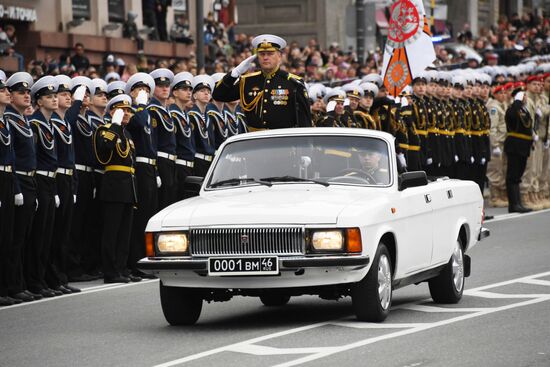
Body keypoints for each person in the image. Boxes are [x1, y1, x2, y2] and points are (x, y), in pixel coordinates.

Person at [212, 34, 312, 130]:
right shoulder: (247, 81)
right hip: (255, 141)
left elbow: (305, 121)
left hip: (283, 141)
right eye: (261, 54)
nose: (265, 57)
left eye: (270, 53)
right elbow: (218, 95)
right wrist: (235, 73)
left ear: (279, 56)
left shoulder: (293, 83)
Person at [94, 96, 138, 283]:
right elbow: (103, 152)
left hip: (128, 185)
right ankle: (110, 272)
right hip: (114, 185)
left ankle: (121, 268)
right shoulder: (105, 130)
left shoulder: (126, 134)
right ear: (112, 112)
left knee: (124, 231)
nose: (126, 113)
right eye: (122, 110)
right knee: (112, 232)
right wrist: (114, 124)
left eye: (128, 110)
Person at [27, 76, 61, 298]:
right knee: (38, 235)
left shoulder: (49, 123)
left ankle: (45, 279)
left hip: (51, 181)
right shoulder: (35, 123)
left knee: (49, 234)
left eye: (54, 96)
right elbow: (35, 157)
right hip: (38, 180)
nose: (54, 99)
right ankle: (34, 281)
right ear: (39, 102)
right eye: (49, 97)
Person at [125, 72, 157, 279]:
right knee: (140, 218)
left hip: (150, 168)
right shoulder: (135, 112)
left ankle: (148, 259)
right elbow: (136, 124)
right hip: (139, 168)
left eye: (146, 90)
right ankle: (138, 262)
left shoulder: (146, 112)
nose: (143, 93)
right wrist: (140, 106)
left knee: (149, 217)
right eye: (139, 90)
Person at [0, 71, 23, 306]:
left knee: (7, 236)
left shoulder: (6, 121)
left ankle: (6, 287)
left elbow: (12, 158)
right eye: (3, 90)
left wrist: (15, 187)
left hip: (7, 179)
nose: (7, 92)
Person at [148, 68, 177, 210]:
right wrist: (156, 170)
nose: (165, 88)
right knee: (162, 203)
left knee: (170, 202)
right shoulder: (152, 110)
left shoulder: (166, 110)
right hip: (161, 160)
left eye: (167, 86)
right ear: (153, 89)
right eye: (160, 86)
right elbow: (152, 142)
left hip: (170, 161)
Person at [504, 90, 533, 213]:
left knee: (518, 176)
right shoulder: (512, 109)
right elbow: (511, 117)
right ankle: (513, 204)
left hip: (523, 146)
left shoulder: (523, 110)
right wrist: (516, 102)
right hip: (515, 146)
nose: (525, 97)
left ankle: (518, 203)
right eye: (523, 95)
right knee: (512, 176)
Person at [169, 72, 195, 200]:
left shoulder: (185, 114)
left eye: (190, 89)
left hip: (189, 165)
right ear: (175, 93)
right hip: (179, 165)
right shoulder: (172, 114)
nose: (188, 92)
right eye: (184, 89)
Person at [188, 75, 216, 177]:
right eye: (202, 91)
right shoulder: (191, 116)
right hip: (198, 161)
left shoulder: (209, 116)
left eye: (208, 92)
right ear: (194, 96)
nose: (206, 93)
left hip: (210, 161)